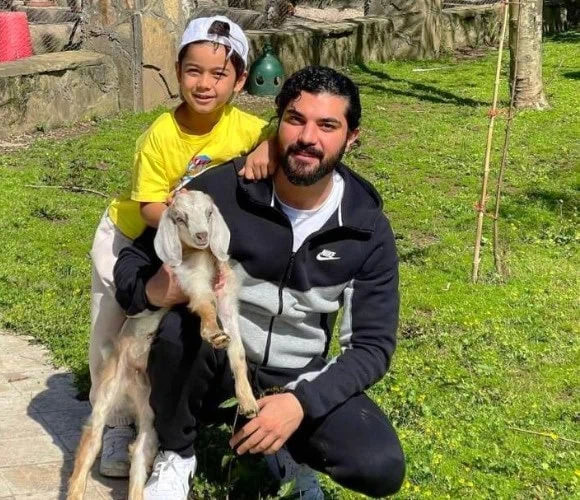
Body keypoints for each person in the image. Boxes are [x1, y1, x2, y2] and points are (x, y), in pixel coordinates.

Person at [115, 66, 406, 499]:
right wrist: (152, 290)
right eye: (295, 119)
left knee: (379, 465)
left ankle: (286, 446)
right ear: (277, 122)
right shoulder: (223, 191)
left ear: (352, 138)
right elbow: (134, 259)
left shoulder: (365, 228)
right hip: (215, 361)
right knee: (178, 330)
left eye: (327, 126)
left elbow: (372, 346)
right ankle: (177, 453)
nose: (308, 137)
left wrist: (300, 403)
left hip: (296, 374)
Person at [88, 15, 276, 478]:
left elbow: (278, 131)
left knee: (169, 329)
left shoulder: (247, 128)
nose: (204, 84)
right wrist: (186, 224)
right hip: (132, 235)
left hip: (193, 245)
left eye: (219, 74)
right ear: (177, 71)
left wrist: (266, 147)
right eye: (194, 71)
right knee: (111, 329)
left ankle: (173, 409)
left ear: (240, 80)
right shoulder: (160, 134)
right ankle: (116, 424)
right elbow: (150, 206)